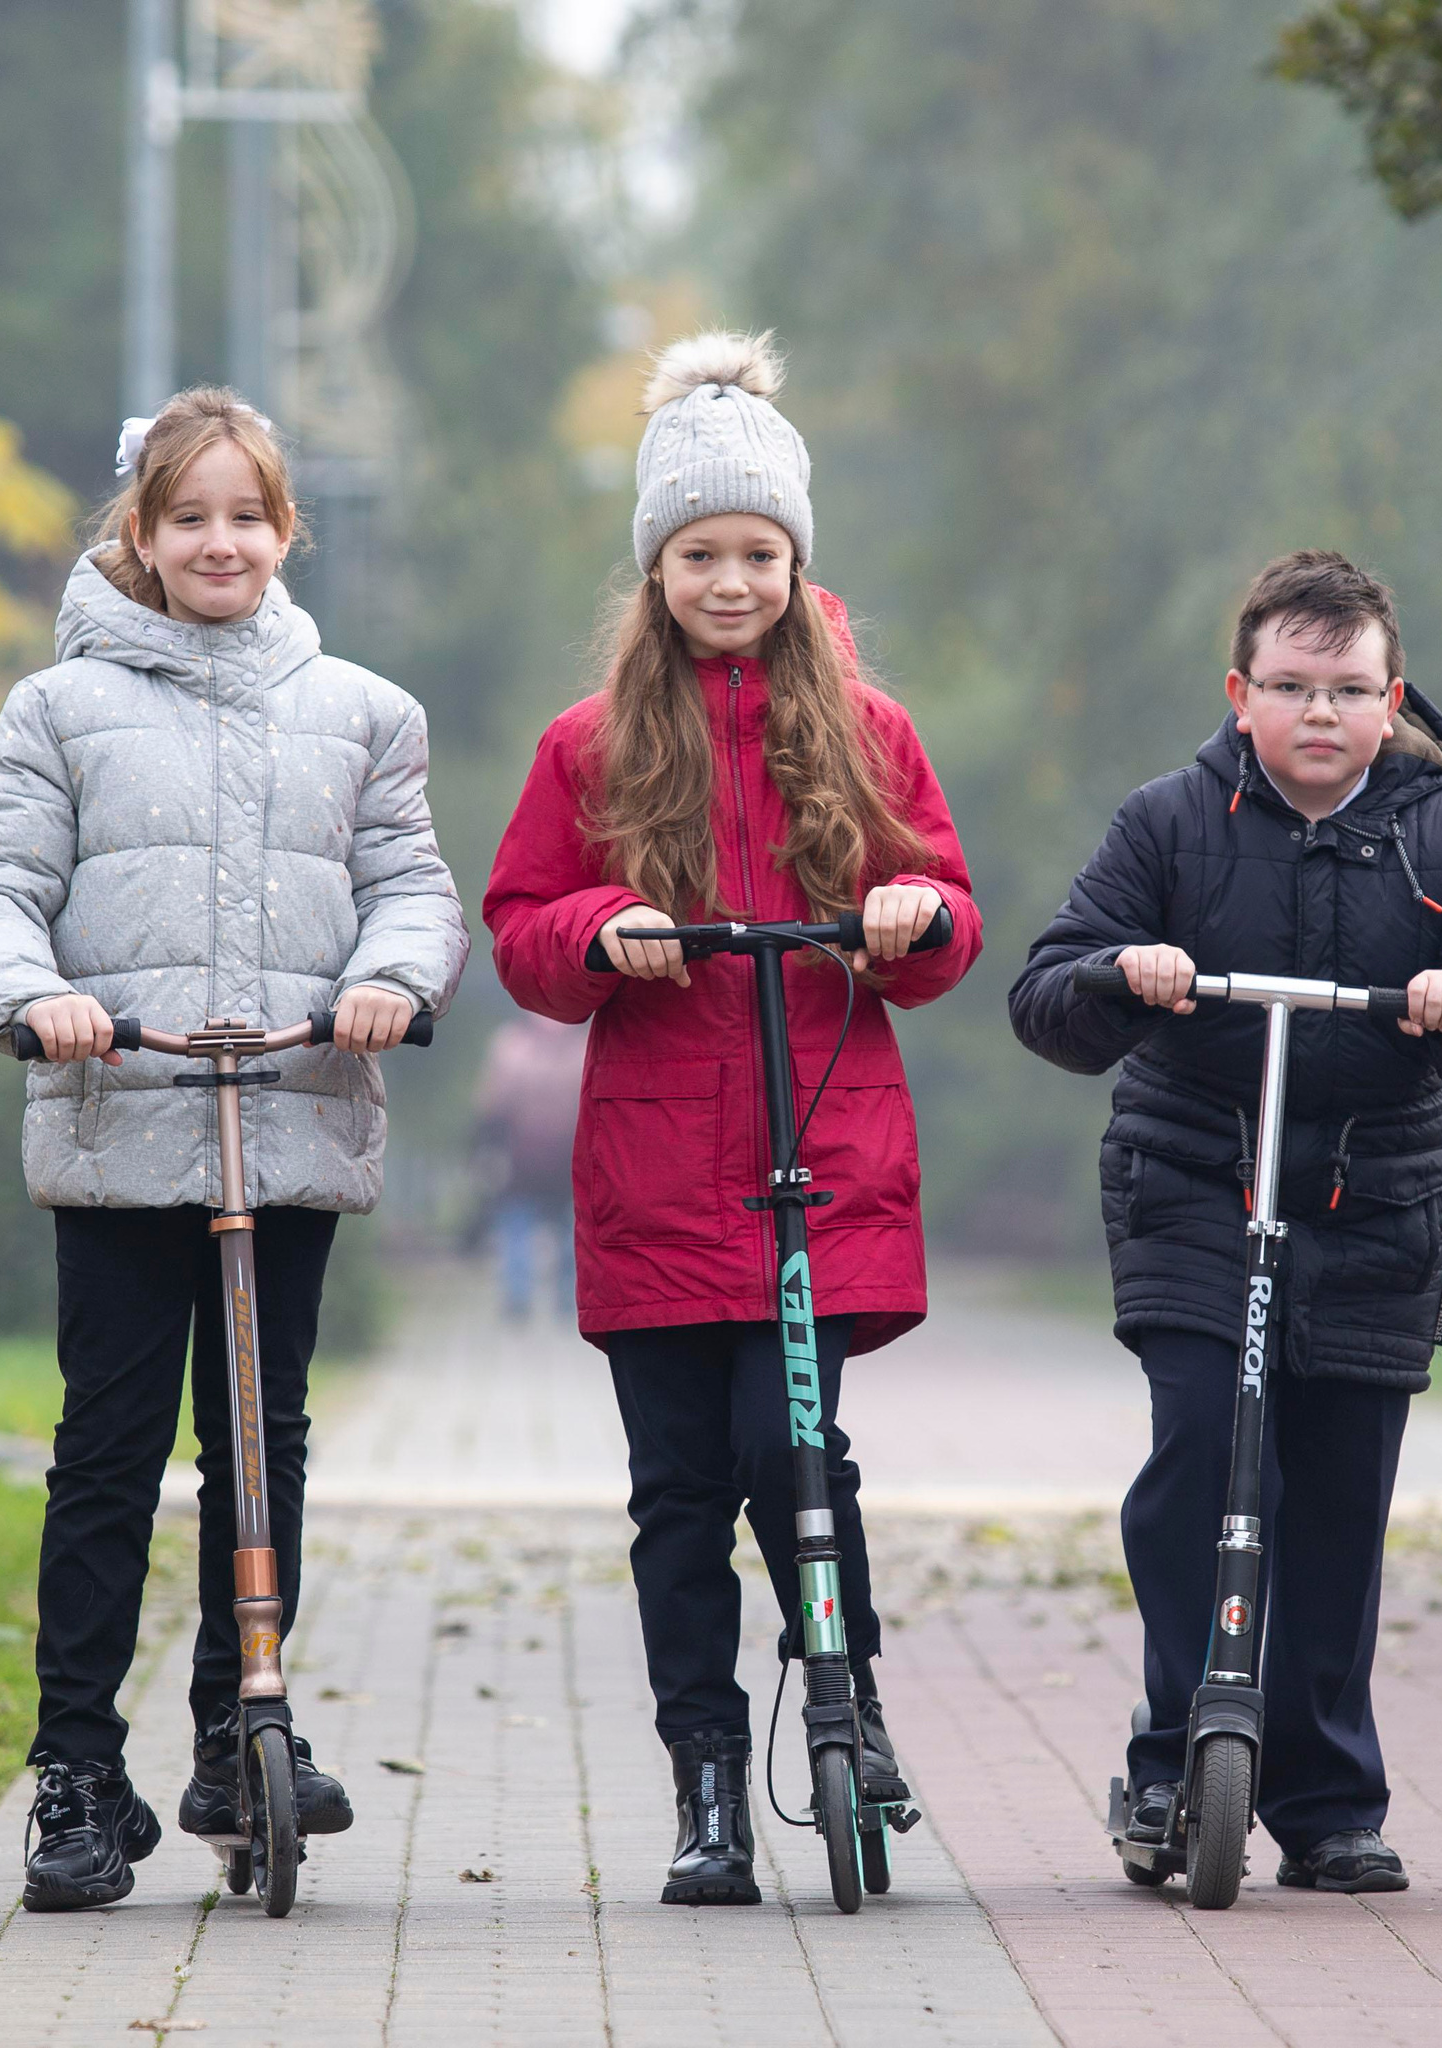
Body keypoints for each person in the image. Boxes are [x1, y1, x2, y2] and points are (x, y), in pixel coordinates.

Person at [0, 389, 468, 1912]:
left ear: (285, 531)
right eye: (189, 518)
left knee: (259, 1438)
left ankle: (243, 1731)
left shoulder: (365, 713)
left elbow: (413, 887)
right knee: (107, 1452)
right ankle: (76, 1769)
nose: (219, 542)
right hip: (122, 1117)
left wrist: (389, 979)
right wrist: (35, 999)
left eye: (246, 516)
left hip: (289, 1110)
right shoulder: (60, 710)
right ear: (143, 533)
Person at [482, 331, 981, 1906]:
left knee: (797, 1450)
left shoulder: (867, 732)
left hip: (813, 1159)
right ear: (656, 566)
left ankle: (848, 1704)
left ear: (796, 562)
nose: (730, 580)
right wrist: (600, 929)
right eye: (699, 553)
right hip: (653, 1171)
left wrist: (907, 916)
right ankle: (706, 1777)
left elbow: (948, 914)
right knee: (680, 1493)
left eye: (758, 553)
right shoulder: (591, 746)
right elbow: (522, 928)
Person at [1009, 549, 1442, 1894]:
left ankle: (1326, 1799)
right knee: (1200, 1453)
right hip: (1198, 1181)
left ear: (1393, 699)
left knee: (1336, 1498)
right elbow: (1047, 997)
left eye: (1350, 689)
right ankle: (1170, 1757)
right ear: (1240, 692)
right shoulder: (1168, 823)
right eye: (1294, 686)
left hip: (1376, 1203)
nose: (1322, 712)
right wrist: (1124, 973)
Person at [471, 1013, 588, 1319]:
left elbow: (492, 1102)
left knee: (541, 1230)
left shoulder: (511, 1048)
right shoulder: (580, 1049)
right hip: (543, 1158)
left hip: (544, 1158)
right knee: (544, 1229)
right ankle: (547, 1298)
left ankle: (532, 1298)